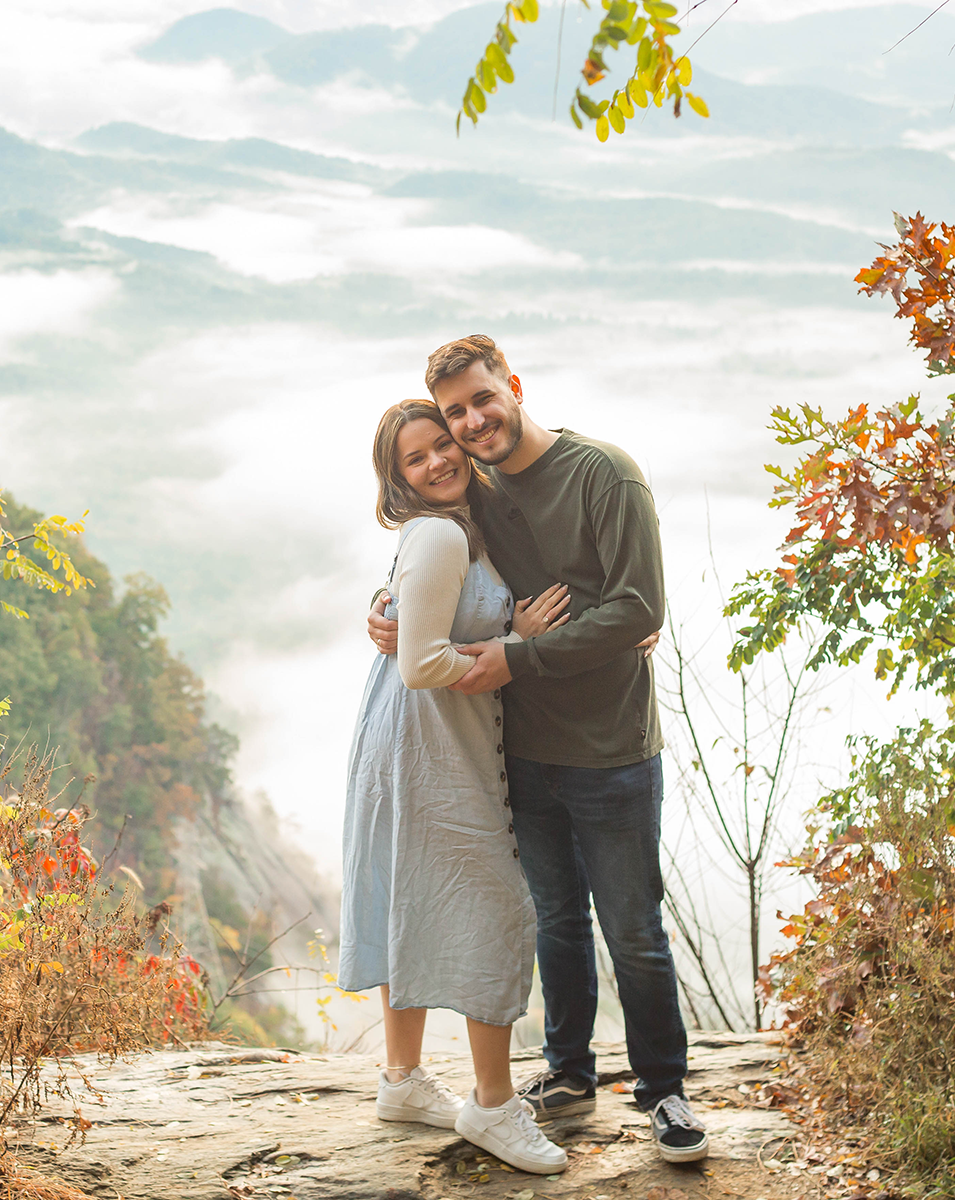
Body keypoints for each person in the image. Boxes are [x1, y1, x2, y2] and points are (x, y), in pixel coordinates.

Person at [367, 336, 709, 1165]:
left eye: (483, 400)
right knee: (553, 919)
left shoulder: (603, 474)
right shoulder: (476, 489)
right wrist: (381, 608)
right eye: (455, 414)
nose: (472, 422)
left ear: (514, 386)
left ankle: (664, 1090)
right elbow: (431, 559)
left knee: (631, 928)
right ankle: (567, 1071)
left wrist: (517, 656)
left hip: (611, 746)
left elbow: (636, 607)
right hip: (518, 746)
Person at [341, 399, 574, 1176]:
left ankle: (402, 1081)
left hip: (410, 739)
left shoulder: (461, 527)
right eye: (417, 458)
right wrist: (517, 643)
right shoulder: (440, 532)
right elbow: (419, 662)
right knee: (497, 907)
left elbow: (409, 622)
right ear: (397, 478)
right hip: (427, 745)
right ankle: (492, 1105)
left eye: (442, 444)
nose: (439, 461)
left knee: (413, 891)